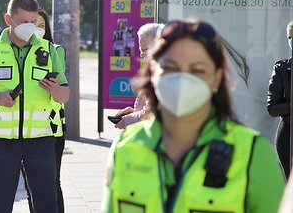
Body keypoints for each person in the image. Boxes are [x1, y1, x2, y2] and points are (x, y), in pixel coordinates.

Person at [102, 19, 285, 213]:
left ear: (217, 78)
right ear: (153, 72)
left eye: (197, 70)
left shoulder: (252, 153)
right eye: (171, 67)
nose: (182, 79)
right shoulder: (125, 147)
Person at [0, 0, 70, 213]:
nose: (30, 27)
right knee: (0, 206)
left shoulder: (48, 50)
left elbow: (65, 96)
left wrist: (55, 90)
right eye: (24, 22)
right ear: (8, 19)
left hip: (41, 141)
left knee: (46, 206)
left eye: (33, 22)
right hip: (3, 143)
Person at [21, 8, 67, 213]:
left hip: (52, 130)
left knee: (51, 183)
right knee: (31, 187)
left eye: (41, 26)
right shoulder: (17, 52)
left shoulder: (55, 51)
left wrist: (54, 88)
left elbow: (63, 92)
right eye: (33, 26)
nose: (37, 30)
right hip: (23, 130)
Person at [114, 23, 164, 129]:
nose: (141, 54)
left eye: (145, 49)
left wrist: (127, 120)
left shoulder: (162, 73)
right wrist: (134, 112)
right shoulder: (154, 69)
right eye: (140, 49)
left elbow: (152, 113)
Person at [267, 20, 293, 179]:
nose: (292, 41)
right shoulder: (282, 68)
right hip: (288, 134)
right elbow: (272, 107)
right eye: (290, 37)